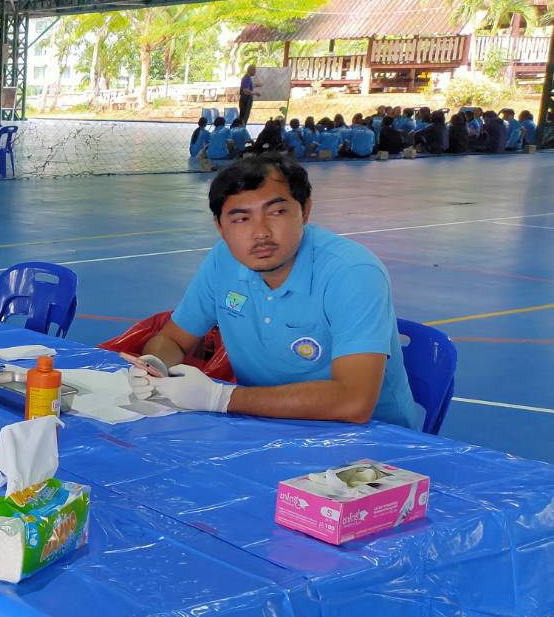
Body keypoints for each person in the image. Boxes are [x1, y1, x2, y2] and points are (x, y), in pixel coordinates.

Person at [130, 154, 421, 429]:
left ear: (305, 210)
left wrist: (221, 398)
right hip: (263, 425)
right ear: (220, 226)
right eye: (241, 219)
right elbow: (172, 339)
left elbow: (354, 402)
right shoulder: (223, 261)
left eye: (277, 212)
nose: (261, 233)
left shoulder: (352, 273)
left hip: (373, 444)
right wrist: (155, 365)